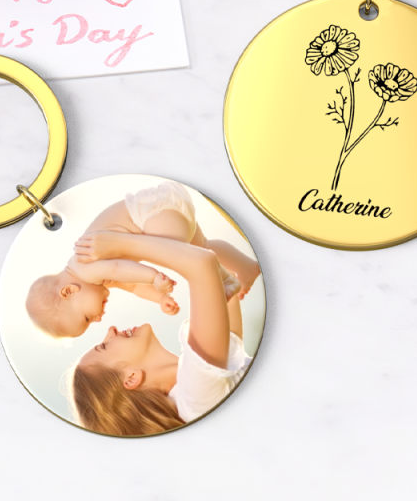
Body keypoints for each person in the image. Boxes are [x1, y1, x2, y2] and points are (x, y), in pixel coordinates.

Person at [66, 231, 254, 436]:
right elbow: (202, 263)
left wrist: (120, 279)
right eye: (103, 346)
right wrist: (120, 243)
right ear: (131, 378)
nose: (110, 330)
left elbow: (224, 289)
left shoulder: (197, 392)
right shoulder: (195, 398)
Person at [26, 181, 261, 338]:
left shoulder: (82, 266)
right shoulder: (95, 277)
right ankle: (246, 267)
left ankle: (227, 280)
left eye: (86, 318)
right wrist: (159, 298)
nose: (97, 319)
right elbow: (133, 286)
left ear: (68, 291)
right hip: (164, 210)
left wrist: (154, 277)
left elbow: (118, 268)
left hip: (152, 215)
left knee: (182, 258)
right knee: (203, 247)